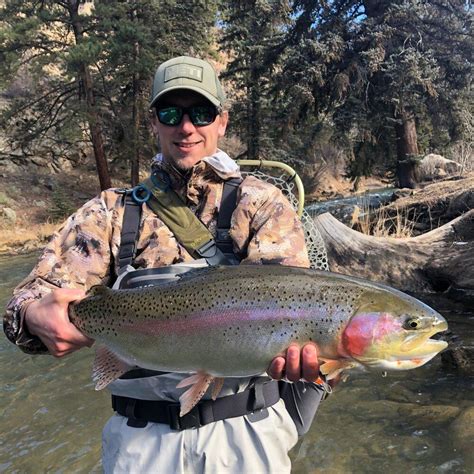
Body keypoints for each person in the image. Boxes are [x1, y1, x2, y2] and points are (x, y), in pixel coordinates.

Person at [4, 56, 325, 473]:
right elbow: (22, 307)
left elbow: (293, 304)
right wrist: (33, 315)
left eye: (201, 113)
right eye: (172, 113)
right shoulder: (109, 212)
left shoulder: (262, 203)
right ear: (154, 122)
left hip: (246, 435)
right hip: (138, 443)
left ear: (222, 121)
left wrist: (317, 354)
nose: (186, 126)